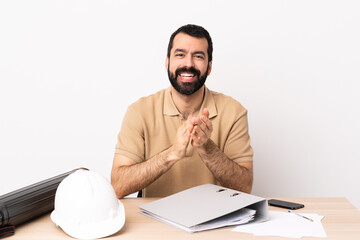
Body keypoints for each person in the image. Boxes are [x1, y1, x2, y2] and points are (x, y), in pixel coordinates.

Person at [111, 24, 253, 198]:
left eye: (198, 56)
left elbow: (245, 188)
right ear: (167, 62)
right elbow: (118, 186)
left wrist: (207, 148)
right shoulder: (139, 111)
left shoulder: (234, 112)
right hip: (156, 222)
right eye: (180, 54)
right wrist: (171, 154)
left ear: (209, 66)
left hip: (215, 221)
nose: (188, 64)